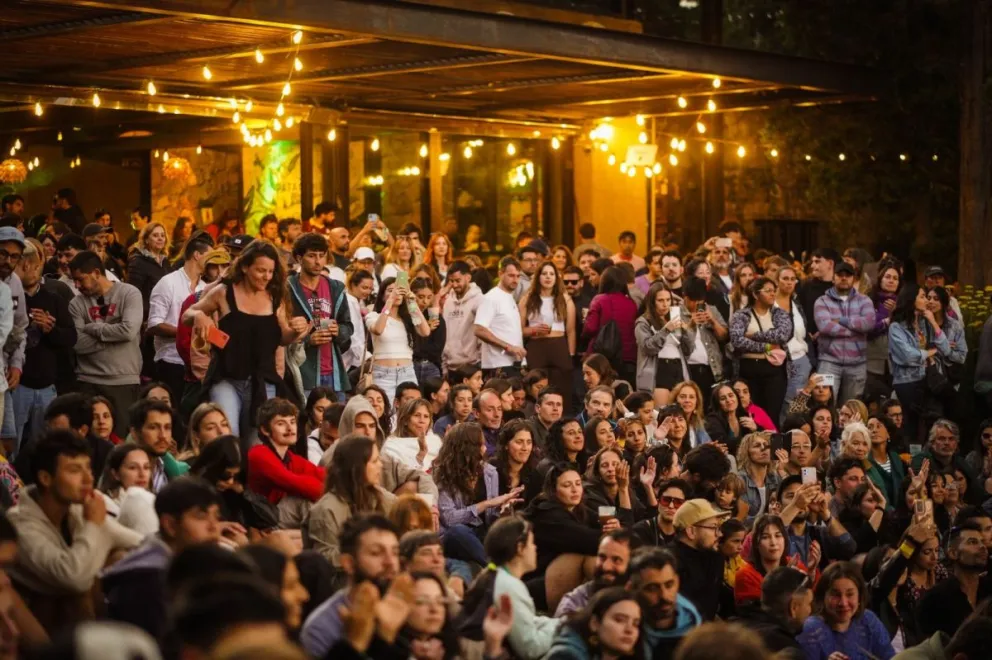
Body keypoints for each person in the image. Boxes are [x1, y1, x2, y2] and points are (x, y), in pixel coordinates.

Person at [7, 429, 142, 632]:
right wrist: (93, 525)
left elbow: (136, 541)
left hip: (73, 617)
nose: (88, 479)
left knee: (122, 557)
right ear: (45, 478)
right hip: (32, 627)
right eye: (74, 470)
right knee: (75, 594)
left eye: (88, 467)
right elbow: (73, 579)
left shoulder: (77, 508)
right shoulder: (19, 524)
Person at [182, 240, 309, 438]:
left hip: (263, 380)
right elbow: (186, 316)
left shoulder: (275, 297)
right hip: (227, 377)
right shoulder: (223, 292)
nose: (266, 277)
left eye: (270, 271)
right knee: (227, 435)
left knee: (256, 444)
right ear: (244, 267)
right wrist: (199, 316)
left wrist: (296, 331)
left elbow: (283, 338)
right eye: (260, 270)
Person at [100, 476, 223, 640]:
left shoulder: (190, 565)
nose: (214, 527)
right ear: (171, 525)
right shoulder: (146, 582)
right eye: (201, 516)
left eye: (216, 516)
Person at [300, 514, 402, 657]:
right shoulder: (321, 628)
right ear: (348, 563)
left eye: (395, 552)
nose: (390, 562)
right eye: (376, 553)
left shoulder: (406, 609)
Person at [68, 251, 143, 437]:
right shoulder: (76, 304)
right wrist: (114, 335)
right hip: (88, 381)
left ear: (95, 272)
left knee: (122, 442)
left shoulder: (129, 293)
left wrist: (93, 328)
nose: (77, 286)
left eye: (80, 279)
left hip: (124, 381)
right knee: (89, 442)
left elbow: (128, 331)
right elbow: (76, 343)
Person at [11, 238, 69, 455]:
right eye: (24, 263)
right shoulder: (10, 297)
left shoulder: (54, 298)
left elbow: (70, 338)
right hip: (17, 384)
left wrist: (50, 329)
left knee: (44, 446)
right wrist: (27, 327)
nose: (30, 269)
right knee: (11, 443)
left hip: (46, 386)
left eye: (34, 264)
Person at [434, 422, 519, 566]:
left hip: (482, 532)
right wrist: (486, 504)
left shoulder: (490, 472)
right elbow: (449, 519)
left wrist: (503, 512)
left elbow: (490, 518)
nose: (484, 449)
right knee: (459, 531)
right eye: (480, 445)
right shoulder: (443, 475)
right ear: (466, 448)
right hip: (455, 537)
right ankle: (494, 569)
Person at [474, 516, 559, 659]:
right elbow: (531, 648)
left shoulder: (492, 575)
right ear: (520, 548)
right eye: (532, 543)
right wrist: (565, 627)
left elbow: (525, 620)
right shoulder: (509, 586)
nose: (535, 548)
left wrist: (560, 622)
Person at [307, 434, 395, 567]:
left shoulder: (379, 496)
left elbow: (401, 508)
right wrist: (367, 549)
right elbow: (324, 558)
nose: (381, 465)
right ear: (357, 467)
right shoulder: (326, 509)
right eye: (375, 461)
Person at [287, 233, 355, 400]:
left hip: (334, 372)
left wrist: (338, 330)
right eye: (311, 256)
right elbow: (279, 332)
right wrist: (308, 340)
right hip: (303, 372)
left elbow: (348, 326)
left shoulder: (335, 287)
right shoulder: (288, 288)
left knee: (336, 422)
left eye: (322, 256)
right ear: (299, 258)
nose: (318, 262)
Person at [146, 238, 209, 402]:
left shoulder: (205, 288)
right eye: (209, 255)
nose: (212, 261)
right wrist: (185, 333)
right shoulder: (168, 283)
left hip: (198, 365)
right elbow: (153, 325)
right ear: (197, 255)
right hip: (171, 361)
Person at [798, 561, 895, 660]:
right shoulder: (812, 629)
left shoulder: (868, 620)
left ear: (859, 596)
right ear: (823, 596)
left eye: (850, 594)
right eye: (836, 595)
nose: (843, 603)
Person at [916, 521, 992, 640]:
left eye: (983, 542)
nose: (982, 546)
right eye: (972, 542)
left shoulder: (988, 590)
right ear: (953, 553)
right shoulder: (935, 599)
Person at [814, 260, 876, 404]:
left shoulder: (865, 301)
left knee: (852, 407)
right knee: (824, 404)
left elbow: (868, 323)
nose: (843, 278)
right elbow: (825, 327)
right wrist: (856, 330)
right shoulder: (822, 301)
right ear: (833, 278)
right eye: (840, 275)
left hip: (857, 364)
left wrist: (841, 320)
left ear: (853, 278)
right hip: (828, 362)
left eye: (847, 275)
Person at [730, 277, 791, 418]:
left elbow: (782, 336)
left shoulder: (779, 313)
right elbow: (737, 340)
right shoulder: (741, 315)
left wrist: (754, 335)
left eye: (774, 291)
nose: (773, 294)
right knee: (751, 414)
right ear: (755, 294)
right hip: (748, 370)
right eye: (768, 290)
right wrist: (768, 346)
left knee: (772, 415)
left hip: (774, 371)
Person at [246, 397, 324, 508]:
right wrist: (331, 491)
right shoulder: (259, 454)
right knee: (306, 502)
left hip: (274, 514)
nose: (290, 428)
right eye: (281, 423)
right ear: (265, 430)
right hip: (258, 518)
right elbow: (292, 482)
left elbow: (320, 474)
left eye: (292, 422)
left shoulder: (290, 458)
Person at [519, 261, 575, 409]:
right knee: (537, 385)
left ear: (557, 277)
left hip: (559, 345)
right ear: (538, 277)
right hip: (536, 346)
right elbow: (518, 330)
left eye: (552, 274)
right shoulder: (527, 299)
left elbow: (571, 330)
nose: (548, 277)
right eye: (544, 274)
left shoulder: (565, 298)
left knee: (562, 386)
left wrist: (571, 353)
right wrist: (534, 330)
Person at [366, 277, 430, 403]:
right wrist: (390, 301)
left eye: (400, 289)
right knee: (385, 414)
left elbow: (425, 331)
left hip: (407, 372)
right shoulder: (373, 316)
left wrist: (412, 302)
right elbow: (378, 329)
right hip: (383, 375)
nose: (396, 293)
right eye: (391, 290)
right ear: (382, 296)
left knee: (410, 413)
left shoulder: (407, 319)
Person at [554, 529, 634, 618]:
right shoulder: (573, 604)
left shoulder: (642, 600)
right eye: (602, 557)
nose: (606, 567)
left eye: (616, 560)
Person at [672, 498, 729, 621]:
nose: (719, 534)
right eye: (713, 527)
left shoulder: (715, 557)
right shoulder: (669, 563)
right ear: (691, 531)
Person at [737, 565, 812, 657]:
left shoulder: (736, 629)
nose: (810, 611)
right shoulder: (787, 652)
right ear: (794, 607)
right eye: (809, 603)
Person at [582, 266, 638, 384]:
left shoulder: (599, 299)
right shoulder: (631, 303)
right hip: (627, 357)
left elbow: (590, 328)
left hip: (601, 358)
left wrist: (585, 320)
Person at [474, 256, 526, 380]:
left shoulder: (509, 297)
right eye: (511, 275)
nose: (515, 280)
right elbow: (479, 329)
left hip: (513, 364)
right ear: (500, 273)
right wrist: (508, 347)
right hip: (497, 365)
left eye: (518, 276)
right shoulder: (491, 298)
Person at [636, 281, 687, 406]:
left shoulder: (674, 316)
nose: (665, 304)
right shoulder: (643, 322)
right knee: (661, 412)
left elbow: (688, 350)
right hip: (659, 367)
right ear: (652, 301)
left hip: (678, 366)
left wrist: (687, 331)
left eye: (668, 300)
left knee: (679, 412)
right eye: (660, 300)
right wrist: (666, 330)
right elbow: (648, 347)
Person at [96, 443, 155, 533]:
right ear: (116, 474)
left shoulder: (156, 502)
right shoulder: (106, 507)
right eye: (133, 468)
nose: (142, 474)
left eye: (146, 467)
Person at [866, 262, 901, 403]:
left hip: (896, 363)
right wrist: (887, 320)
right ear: (880, 279)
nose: (891, 280)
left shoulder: (905, 304)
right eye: (887, 277)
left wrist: (897, 312)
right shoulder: (868, 301)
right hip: (872, 362)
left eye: (895, 278)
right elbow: (867, 329)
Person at [441, 260, 482, 375]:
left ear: (468, 277)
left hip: (472, 365)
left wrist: (479, 361)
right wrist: (444, 364)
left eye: (458, 280)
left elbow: (483, 333)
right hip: (450, 366)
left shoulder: (479, 300)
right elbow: (445, 333)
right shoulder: (448, 301)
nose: (454, 285)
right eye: (451, 281)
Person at [382, 398, 443, 471]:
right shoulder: (392, 446)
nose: (422, 420)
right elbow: (400, 477)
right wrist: (421, 455)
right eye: (417, 415)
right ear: (405, 420)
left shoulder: (435, 442)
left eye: (426, 416)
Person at [633, 478, 689, 547]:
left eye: (678, 502)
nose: (671, 506)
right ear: (658, 501)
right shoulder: (640, 531)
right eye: (666, 500)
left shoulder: (686, 535)